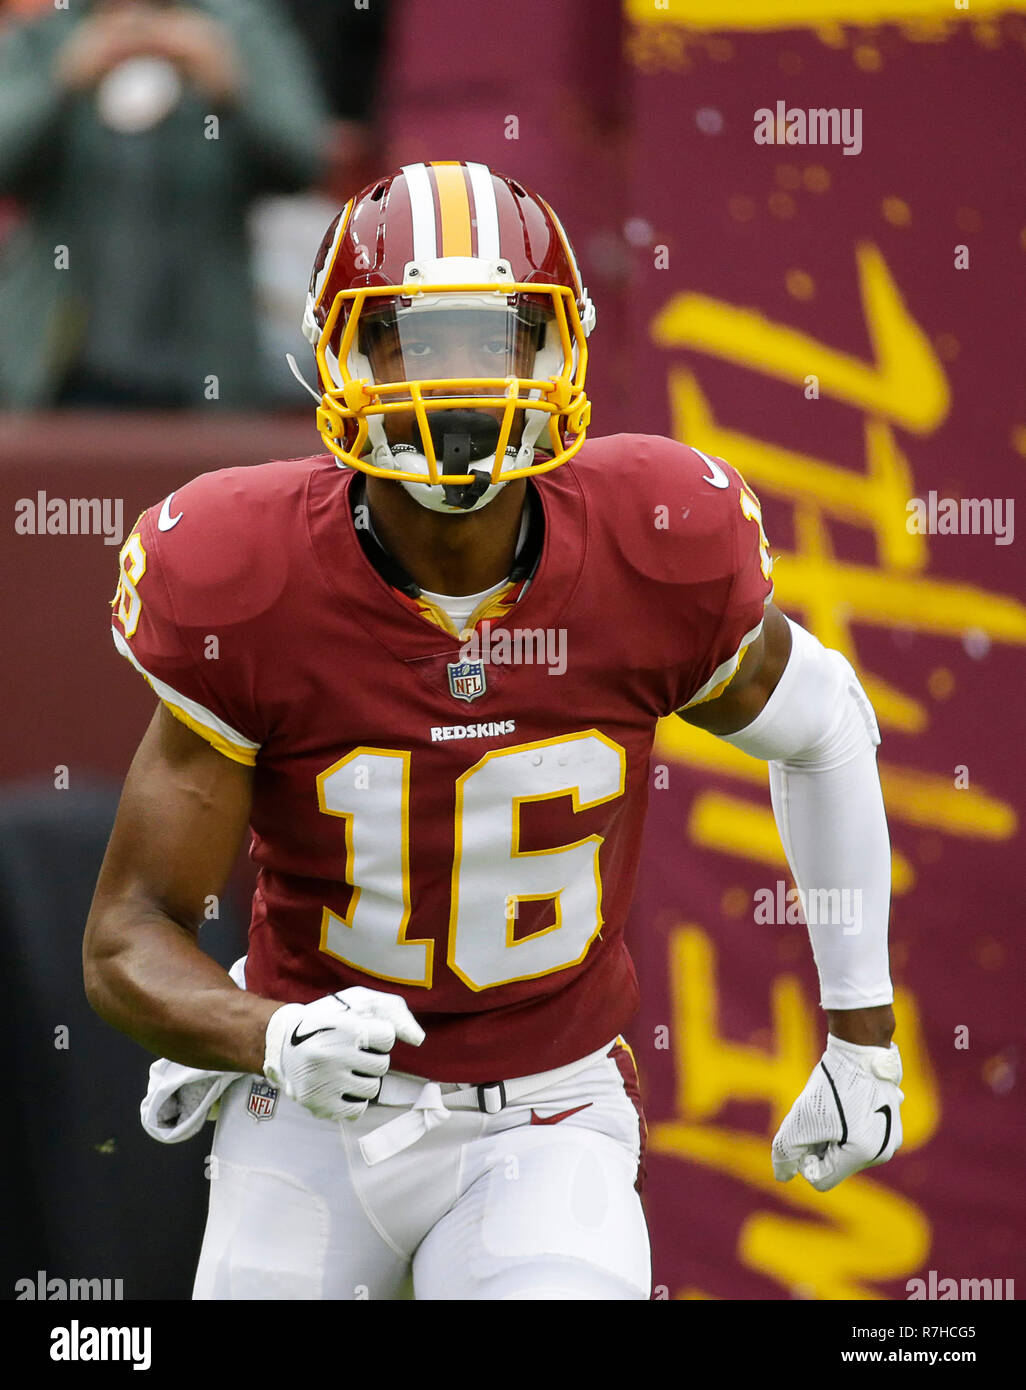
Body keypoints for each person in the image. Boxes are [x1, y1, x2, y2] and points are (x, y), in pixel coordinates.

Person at [84, 161, 904, 1301]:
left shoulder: (652, 541)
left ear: (557, 351)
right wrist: (267, 1035)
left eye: (494, 337)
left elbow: (828, 730)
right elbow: (125, 933)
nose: (457, 380)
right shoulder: (247, 571)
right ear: (340, 356)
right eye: (414, 340)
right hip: (313, 1113)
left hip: (550, 1107)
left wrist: (864, 1038)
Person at [0, 0, 326, 408]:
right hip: (57, 371)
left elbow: (305, 159)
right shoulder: (47, 31)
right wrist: (62, 80)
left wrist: (230, 85)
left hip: (207, 370)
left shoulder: (241, 27)